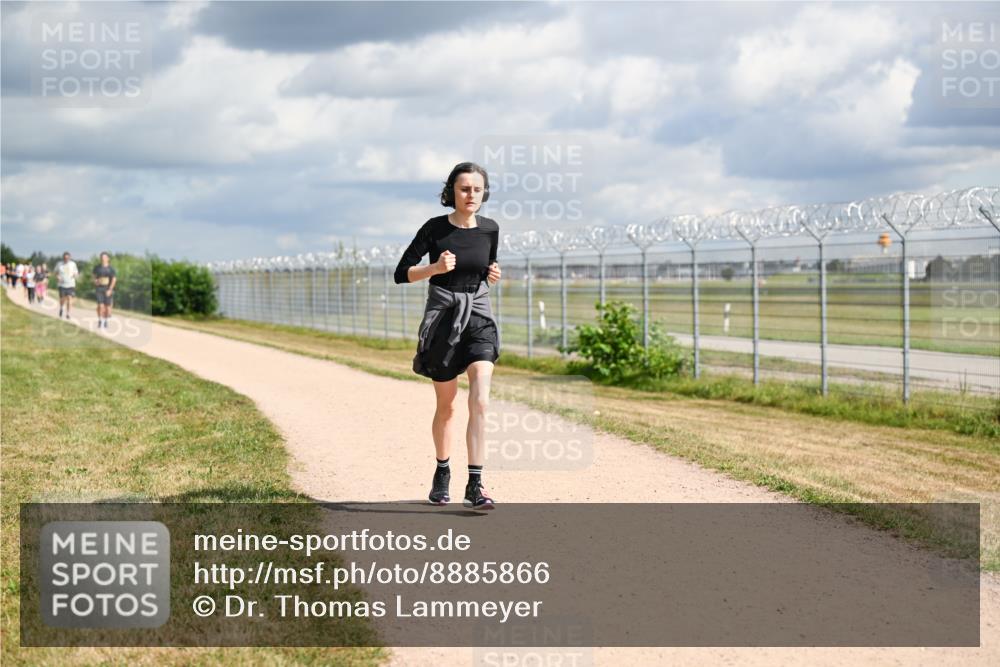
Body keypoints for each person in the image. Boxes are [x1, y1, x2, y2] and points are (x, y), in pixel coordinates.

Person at [394, 162, 502, 509]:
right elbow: (401, 273)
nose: (471, 195)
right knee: (447, 406)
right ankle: (443, 472)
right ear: (452, 192)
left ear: (484, 193)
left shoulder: (490, 229)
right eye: (464, 189)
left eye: (477, 189)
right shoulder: (434, 229)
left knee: (481, 399)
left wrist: (492, 274)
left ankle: (476, 483)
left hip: (479, 317)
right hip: (443, 319)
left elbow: (485, 269)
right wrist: (435, 269)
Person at [92, 252, 117, 329]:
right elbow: (93, 277)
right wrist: (95, 281)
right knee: (100, 305)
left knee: (107, 307)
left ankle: (105, 321)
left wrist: (110, 289)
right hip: (99, 288)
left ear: (108, 258)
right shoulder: (97, 268)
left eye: (105, 257)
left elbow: (114, 280)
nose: (103, 258)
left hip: (107, 289)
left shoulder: (111, 269)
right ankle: (100, 320)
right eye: (102, 257)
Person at [54, 251, 79, 319]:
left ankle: (68, 313)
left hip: (71, 284)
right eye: (65, 258)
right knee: (62, 299)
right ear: (63, 258)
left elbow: (76, 272)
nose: (66, 259)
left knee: (69, 298)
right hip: (62, 285)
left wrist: (75, 275)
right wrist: (58, 277)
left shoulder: (73, 264)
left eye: (67, 258)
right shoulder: (59, 264)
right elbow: (55, 272)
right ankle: (61, 308)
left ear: (69, 258)